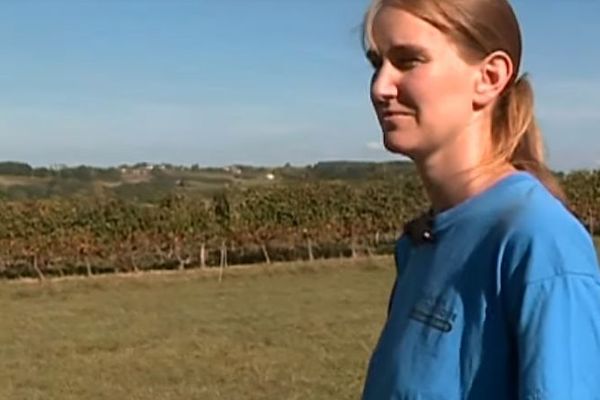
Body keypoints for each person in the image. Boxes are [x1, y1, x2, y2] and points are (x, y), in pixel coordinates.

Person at [359, 0, 600, 399]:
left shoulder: (539, 242)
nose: (380, 87)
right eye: (376, 64)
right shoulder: (421, 242)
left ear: (489, 77)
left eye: (408, 60)